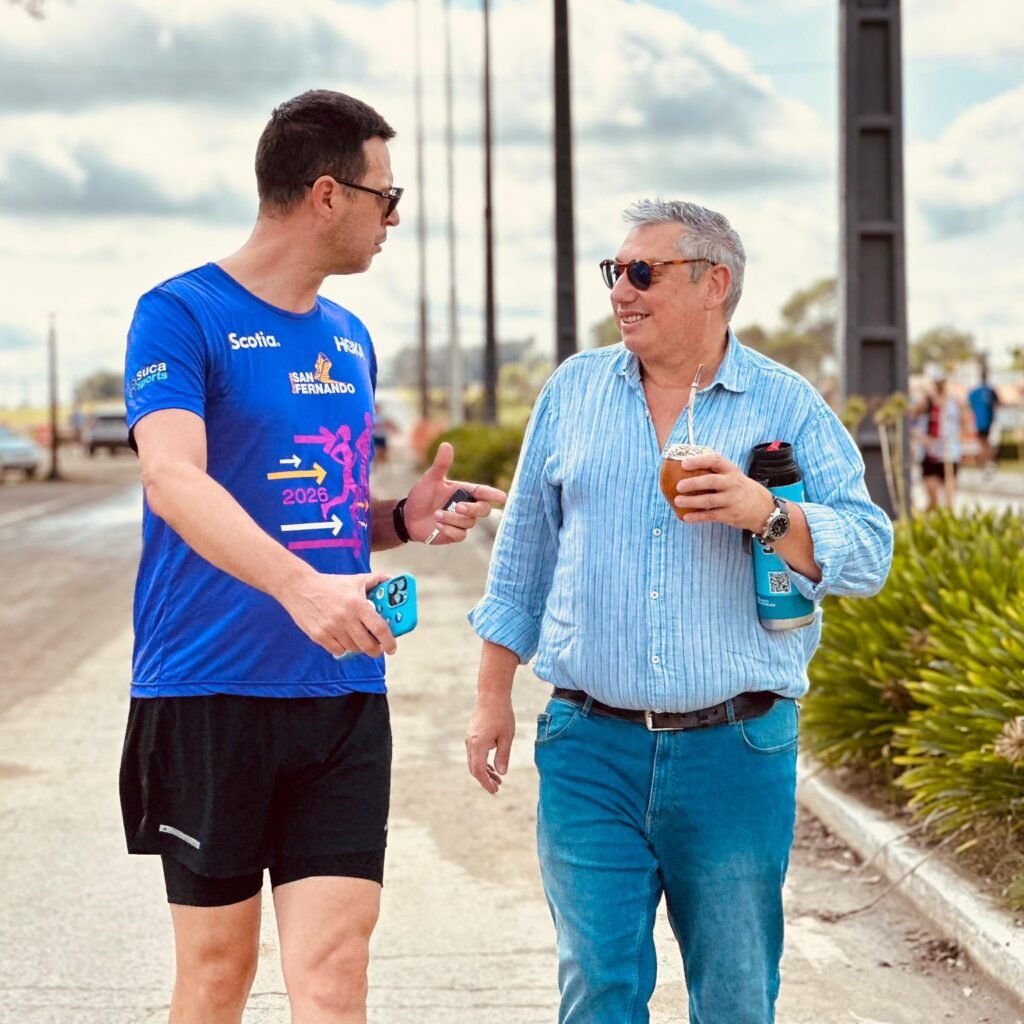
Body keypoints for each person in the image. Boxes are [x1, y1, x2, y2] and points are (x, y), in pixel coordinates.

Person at [119, 90, 505, 1024]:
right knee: (218, 974)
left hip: (341, 693)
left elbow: (311, 509)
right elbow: (172, 478)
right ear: (328, 194)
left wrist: (398, 520)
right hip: (210, 688)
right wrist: (301, 590)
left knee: (336, 971)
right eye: (386, 195)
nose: (394, 218)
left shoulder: (349, 337)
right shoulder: (179, 314)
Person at [464, 200, 893, 1024]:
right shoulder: (573, 392)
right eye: (614, 271)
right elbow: (521, 561)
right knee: (598, 989)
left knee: (735, 998)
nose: (620, 291)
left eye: (642, 272)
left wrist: (767, 512)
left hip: (736, 750)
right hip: (589, 746)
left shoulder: (787, 404)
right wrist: (491, 699)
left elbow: (871, 552)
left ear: (713, 283)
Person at [914, 373, 963, 511]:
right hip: (930, 455)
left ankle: (947, 519)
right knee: (932, 498)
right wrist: (922, 438)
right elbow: (913, 423)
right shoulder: (925, 403)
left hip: (949, 453)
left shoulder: (953, 402)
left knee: (949, 497)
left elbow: (963, 421)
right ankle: (928, 517)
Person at [967, 368, 999, 476]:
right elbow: (997, 403)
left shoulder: (976, 391)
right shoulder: (989, 391)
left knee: (984, 443)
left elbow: (970, 404)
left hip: (981, 421)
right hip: (987, 421)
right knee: (986, 443)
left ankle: (987, 464)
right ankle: (987, 464)